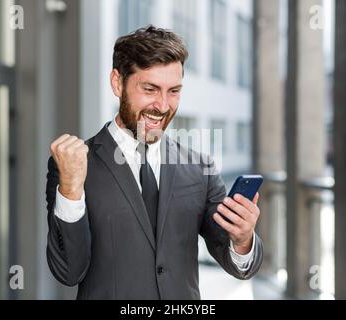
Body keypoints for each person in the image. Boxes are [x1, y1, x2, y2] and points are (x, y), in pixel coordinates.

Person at [46, 25, 263, 300]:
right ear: (117, 83)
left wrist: (243, 239)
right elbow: (68, 271)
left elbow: (236, 262)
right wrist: (71, 189)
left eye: (173, 91)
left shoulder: (200, 168)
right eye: (150, 89)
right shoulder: (73, 166)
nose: (162, 106)